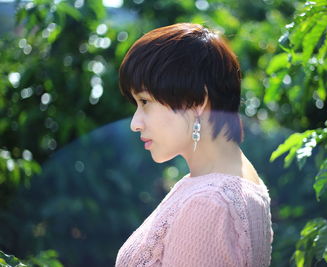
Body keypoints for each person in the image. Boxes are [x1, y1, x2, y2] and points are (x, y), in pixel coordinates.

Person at [115, 23, 273, 267]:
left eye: (145, 101)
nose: (135, 123)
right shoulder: (222, 182)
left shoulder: (210, 202)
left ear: (197, 100)